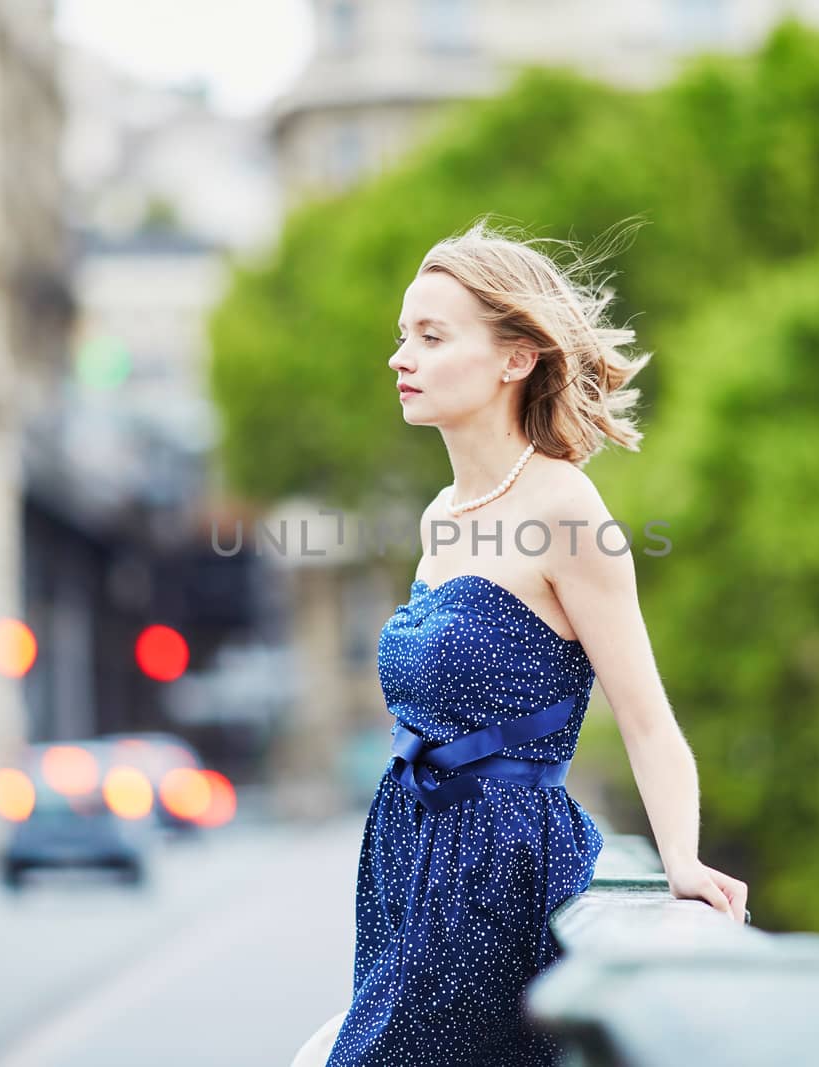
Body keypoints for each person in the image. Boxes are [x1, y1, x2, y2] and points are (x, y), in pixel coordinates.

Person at [298, 220, 749, 1067]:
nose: (402, 357)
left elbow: (647, 719)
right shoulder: (439, 515)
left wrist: (682, 859)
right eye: (404, 335)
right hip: (407, 854)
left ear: (516, 358)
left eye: (432, 337)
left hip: (497, 872)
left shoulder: (565, 508)